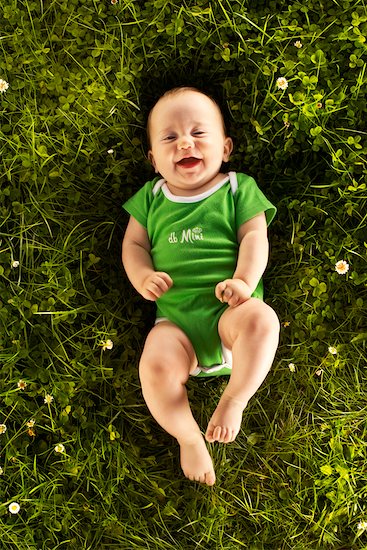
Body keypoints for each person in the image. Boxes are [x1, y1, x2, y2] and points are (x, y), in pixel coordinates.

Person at [122, 87, 280, 486]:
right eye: (170, 137)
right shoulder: (150, 199)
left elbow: (254, 237)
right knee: (154, 366)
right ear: (154, 160)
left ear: (225, 147)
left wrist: (245, 281)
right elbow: (134, 245)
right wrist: (142, 276)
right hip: (176, 326)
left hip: (232, 313)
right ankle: (189, 437)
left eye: (199, 133)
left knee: (263, 321)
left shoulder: (236, 189)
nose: (185, 143)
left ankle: (234, 399)